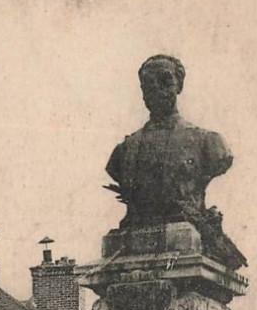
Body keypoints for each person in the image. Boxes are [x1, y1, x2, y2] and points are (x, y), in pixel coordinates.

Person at [105, 54, 246, 270]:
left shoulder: (207, 142)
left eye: (165, 81)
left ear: (179, 85)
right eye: (149, 84)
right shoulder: (124, 151)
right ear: (142, 92)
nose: (157, 90)